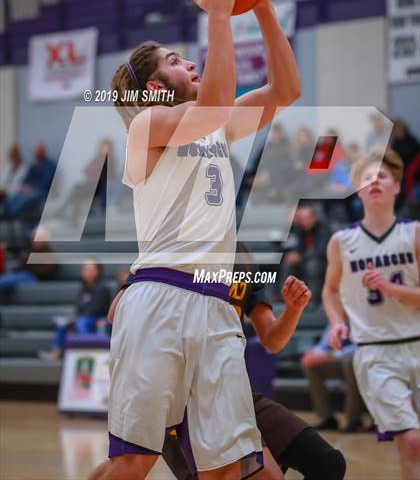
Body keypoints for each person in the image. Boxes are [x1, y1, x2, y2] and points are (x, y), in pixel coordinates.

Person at [89, 0, 301, 480]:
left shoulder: (216, 126)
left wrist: (263, 6)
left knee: (230, 469)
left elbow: (286, 90)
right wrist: (219, 14)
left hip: (215, 308)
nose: (190, 62)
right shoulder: (145, 129)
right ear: (155, 87)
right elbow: (212, 101)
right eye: (176, 61)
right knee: (134, 460)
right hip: (159, 298)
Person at [107, 242, 346, 480]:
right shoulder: (174, 250)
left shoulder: (242, 257)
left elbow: (272, 340)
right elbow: (116, 311)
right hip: (183, 398)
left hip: (233, 388)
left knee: (327, 464)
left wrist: (294, 308)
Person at [322, 148, 420, 480]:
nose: (374, 181)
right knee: (412, 442)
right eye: (367, 177)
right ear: (357, 190)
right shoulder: (341, 241)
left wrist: (394, 291)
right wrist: (337, 323)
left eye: (382, 176)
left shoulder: (415, 234)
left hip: (417, 340)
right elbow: (331, 289)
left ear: (396, 187)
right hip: (375, 352)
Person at [39, 259, 110, 360]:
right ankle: (57, 352)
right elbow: (78, 307)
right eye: (85, 269)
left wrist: (81, 316)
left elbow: (97, 308)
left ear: (98, 271)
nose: (87, 271)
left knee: (82, 322)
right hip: (82, 317)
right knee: (62, 323)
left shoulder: (103, 288)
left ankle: (85, 351)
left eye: (90, 269)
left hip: (96, 319)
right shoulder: (83, 288)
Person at [301, 324, 366, 432]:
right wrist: (313, 353)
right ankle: (327, 418)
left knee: (350, 363)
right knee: (311, 365)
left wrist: (332, 355)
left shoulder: (359, 316)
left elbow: (361, 346)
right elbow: (323, 345)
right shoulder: (335, 317)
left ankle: (353, 420)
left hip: (360, 362)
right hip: (338, 359)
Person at [279, 206, 330, 304]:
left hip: (322, 262)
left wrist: (300, 257)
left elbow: (321, 252)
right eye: (301, 219)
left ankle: (312, 300)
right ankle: (284, 297)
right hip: (306, 260)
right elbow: (294, 246)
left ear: (313, 217)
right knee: (288, 263)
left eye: (306, 219)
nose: (304, 222)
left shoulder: (324, 228)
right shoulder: (300, 229)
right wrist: (294, 255)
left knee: (313, 266)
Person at [0, 228, 57, 299]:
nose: (36, 241)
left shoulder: (48, 253)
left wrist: (30, 269)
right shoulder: (31, 251)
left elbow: (47, 271)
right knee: (6, 278)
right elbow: (22, 264)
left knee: (5, 282)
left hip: (35, 277)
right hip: (25, 274)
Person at [6, 143, 56, 219]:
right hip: (30, 190)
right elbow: (26, 180)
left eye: (39, 152)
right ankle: (7, 211)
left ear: (43, 152)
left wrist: (31, 187)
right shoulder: (33, 166)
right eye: (36, 152)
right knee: (16, 196)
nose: (36, 154)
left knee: (26, 199)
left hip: (42, 191)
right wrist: (25, 187)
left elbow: (46, 182)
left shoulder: (50, 165)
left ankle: (12, 213)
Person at [0, 144, 27, 216]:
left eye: (14, 157)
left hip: (14, 197)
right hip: (4, 195)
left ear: (18, 157)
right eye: (11, 157)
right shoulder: (9, 169)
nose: (12, 159)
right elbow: (3, 182)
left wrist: (6, 192)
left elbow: (21, 188)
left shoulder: (24, 170)